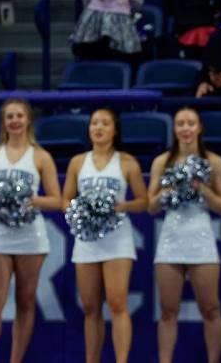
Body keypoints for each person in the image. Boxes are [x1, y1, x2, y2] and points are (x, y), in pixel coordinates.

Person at [0, 98, 62, 363]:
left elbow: (56, 200)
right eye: (9, 116)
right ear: (4, 122)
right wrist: (0, 197)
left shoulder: (41, 156)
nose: (14, 121)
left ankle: (16, 359)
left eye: (19, 116)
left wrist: (29, 200)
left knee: (25, 300)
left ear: (28, 120)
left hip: (30, 235)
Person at [62, 108, 148, 363]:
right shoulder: (78, 162)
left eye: (105, 123)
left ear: (115, 129)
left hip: (117, 237)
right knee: (90, 307)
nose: (98, 127)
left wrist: (121, 207)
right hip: (86, 238)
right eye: (94, 123)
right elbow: (65, 198)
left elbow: (143, 201)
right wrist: (79, 211)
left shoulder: (127, 162)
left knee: (117, 303)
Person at [148, 107, 221, 363]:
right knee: (168, 310)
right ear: (174, 128)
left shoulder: (214, 162)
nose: (185, 128)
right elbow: (150, 206)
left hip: (201, 237)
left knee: (211, 308)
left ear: (199, 127)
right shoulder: (162, 162)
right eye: (180, 123)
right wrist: (170, 188)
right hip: (171, 237)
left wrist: (201, 188)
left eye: (190, 123)